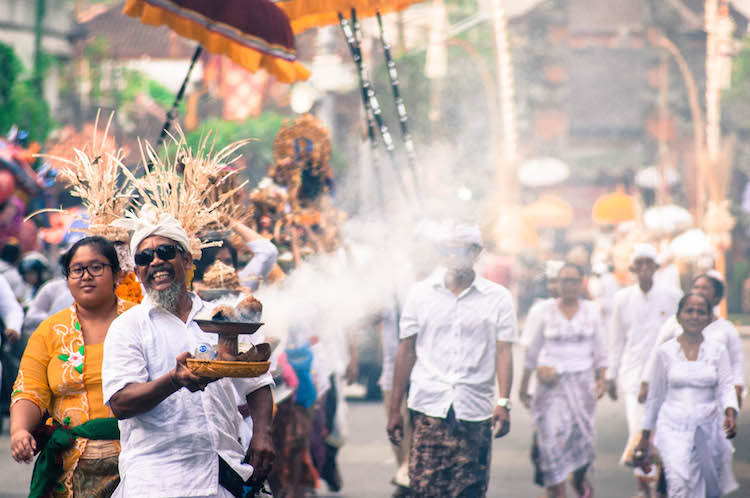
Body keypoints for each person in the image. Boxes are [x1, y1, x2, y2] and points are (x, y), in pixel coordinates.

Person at [101, 206, 275, 497]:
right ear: (138, 270)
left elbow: (257, 381)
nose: (156, 261)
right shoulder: (127, 327)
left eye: (166, 252)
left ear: (187, 258)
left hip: (223, 474)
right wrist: (173, 381)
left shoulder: (221, 317)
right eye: (145, 257)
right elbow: (120, 402)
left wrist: (262, 433)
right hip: (155, 479)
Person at [386, 223, 517, 497]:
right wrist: (394, 408)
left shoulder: (498, 298)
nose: (455, 255)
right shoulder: (420, 294)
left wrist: (503, 401)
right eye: (448, 249)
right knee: (424, 489)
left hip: (475, 411)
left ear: (477, 252)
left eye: (463, 249)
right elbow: (406, 350)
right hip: (428, 408)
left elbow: (504, 351)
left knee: (470, 490)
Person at [9, 236, 134, 497]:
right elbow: (30, 389)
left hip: (137, 460)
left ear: (117, 274)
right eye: (77, 270)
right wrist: (20, 431)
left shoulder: (140, 322)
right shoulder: (50, 330)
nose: (86, 276)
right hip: (68, 467)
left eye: (96, 267)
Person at [635, 293, 739, 497]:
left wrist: (730, 413)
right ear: (679, 316)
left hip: (709, 429)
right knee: (678, 485)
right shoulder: (664, 353)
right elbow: (655, 397)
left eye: (701, 312)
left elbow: (726, 386)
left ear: (710, 318)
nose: (695, 316)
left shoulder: (717, 351)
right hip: (673, 428)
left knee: (709, 489)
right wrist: (644, 436)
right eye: (689, 310)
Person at [519, 263, 607, 497]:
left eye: (573, 280)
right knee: (551, 444)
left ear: (581, 283)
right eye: (564, 280)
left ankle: (579, 484)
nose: (568, 286)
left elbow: (601, 351)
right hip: (551, 387)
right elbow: (531, 352)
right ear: (556, 283)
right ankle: (557, 491)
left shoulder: (592, 311)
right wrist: (523, 385)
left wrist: (602, 379)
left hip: (582, 388)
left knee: (583, 445)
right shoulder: (542, 311)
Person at [606, 243, 681, 497]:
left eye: (650, 263)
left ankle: (660, 482)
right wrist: (610, 376)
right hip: (633, 374)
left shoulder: (673, 296)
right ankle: (643, 485)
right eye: (640, 264)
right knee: (638, 428)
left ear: (657, 268)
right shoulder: (622, 299)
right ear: (633, 269)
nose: (645, 269)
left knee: (663, 430)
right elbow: (616, 340)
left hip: (667, 374)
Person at [638, 273, 745, 408]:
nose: (699, 291)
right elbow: (657, 353)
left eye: (704, 288)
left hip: (713, 396)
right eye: (696, 287)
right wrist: (646, 381)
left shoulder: (727, 330)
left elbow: (736, 363)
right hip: (677, 393)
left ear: (717, 298)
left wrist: (737, 388)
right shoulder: (674, 323)